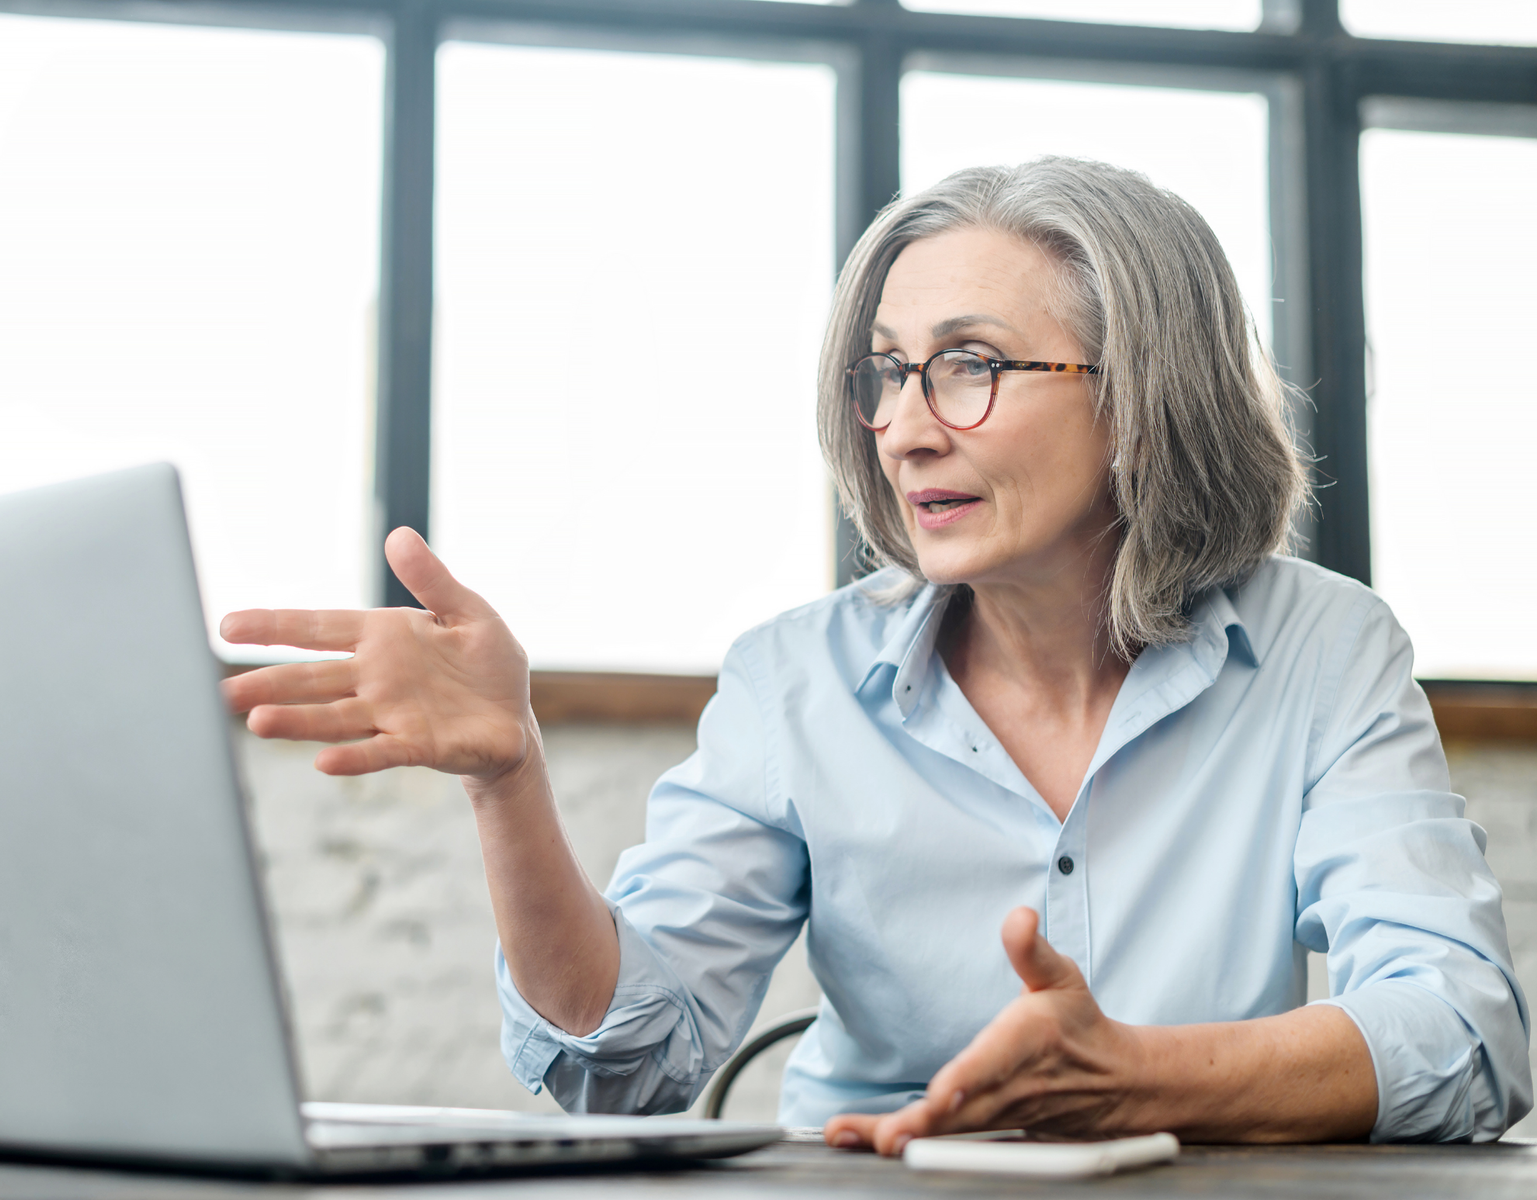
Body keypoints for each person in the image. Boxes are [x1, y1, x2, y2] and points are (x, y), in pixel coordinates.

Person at [220, 157, 1530, 1150]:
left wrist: (1141, 1077)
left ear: (1141, 397)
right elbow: (621, 1065)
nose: (904, 428)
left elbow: (1463, 1034)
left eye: (968, 367)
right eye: (887, 373)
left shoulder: (1324, 650)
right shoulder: (794, 679)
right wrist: (509, 780)